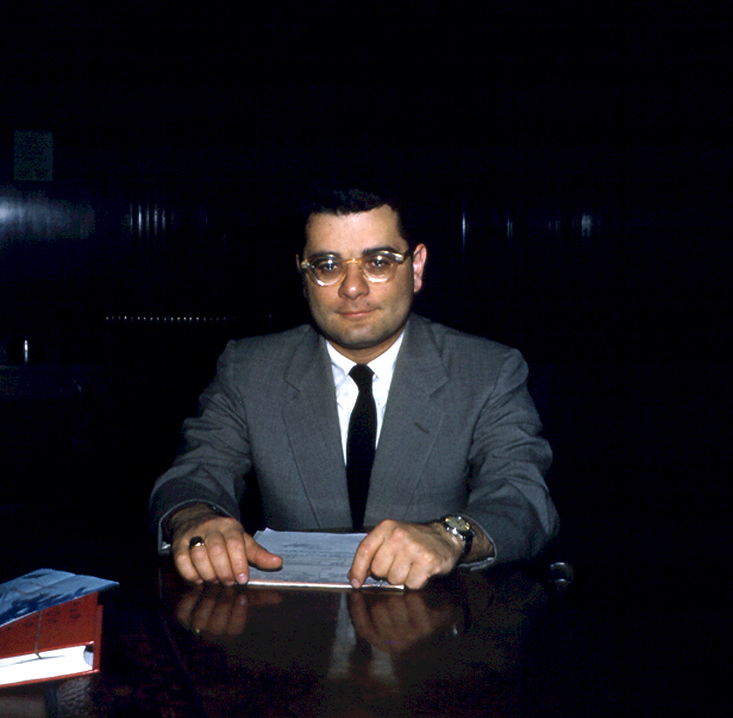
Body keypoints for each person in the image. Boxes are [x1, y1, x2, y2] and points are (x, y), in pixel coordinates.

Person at [149, 185, 558, 589]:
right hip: (289, 633)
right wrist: (197, 521)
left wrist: (451, 536)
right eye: (327, 266)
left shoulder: (488, 371)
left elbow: (523, 499)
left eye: (378, 262)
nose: (352, 287)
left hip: (442, 628)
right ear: (303, 275)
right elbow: (194, 475)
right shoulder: (249, 369)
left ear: (416, 268)